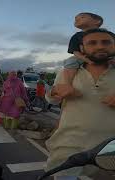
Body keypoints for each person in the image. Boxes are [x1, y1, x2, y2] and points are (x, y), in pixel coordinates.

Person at [45, 28, 115, 180]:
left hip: (109, 152)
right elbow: (50, 99)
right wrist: (56, 91)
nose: (99, 46)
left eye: (106, 42)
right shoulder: (66, 73)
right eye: (92, 43)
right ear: (82, 48)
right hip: (68, 147)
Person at [63, 13, 104, 88]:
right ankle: (67, 85)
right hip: (83, 57)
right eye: (75, 19)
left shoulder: (107, 34)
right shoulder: (76, 36)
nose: (77, 19)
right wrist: (85, 59)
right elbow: (75, 51)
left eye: (82, 17)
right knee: (71, 61)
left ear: (97, 21)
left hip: (106, 56)